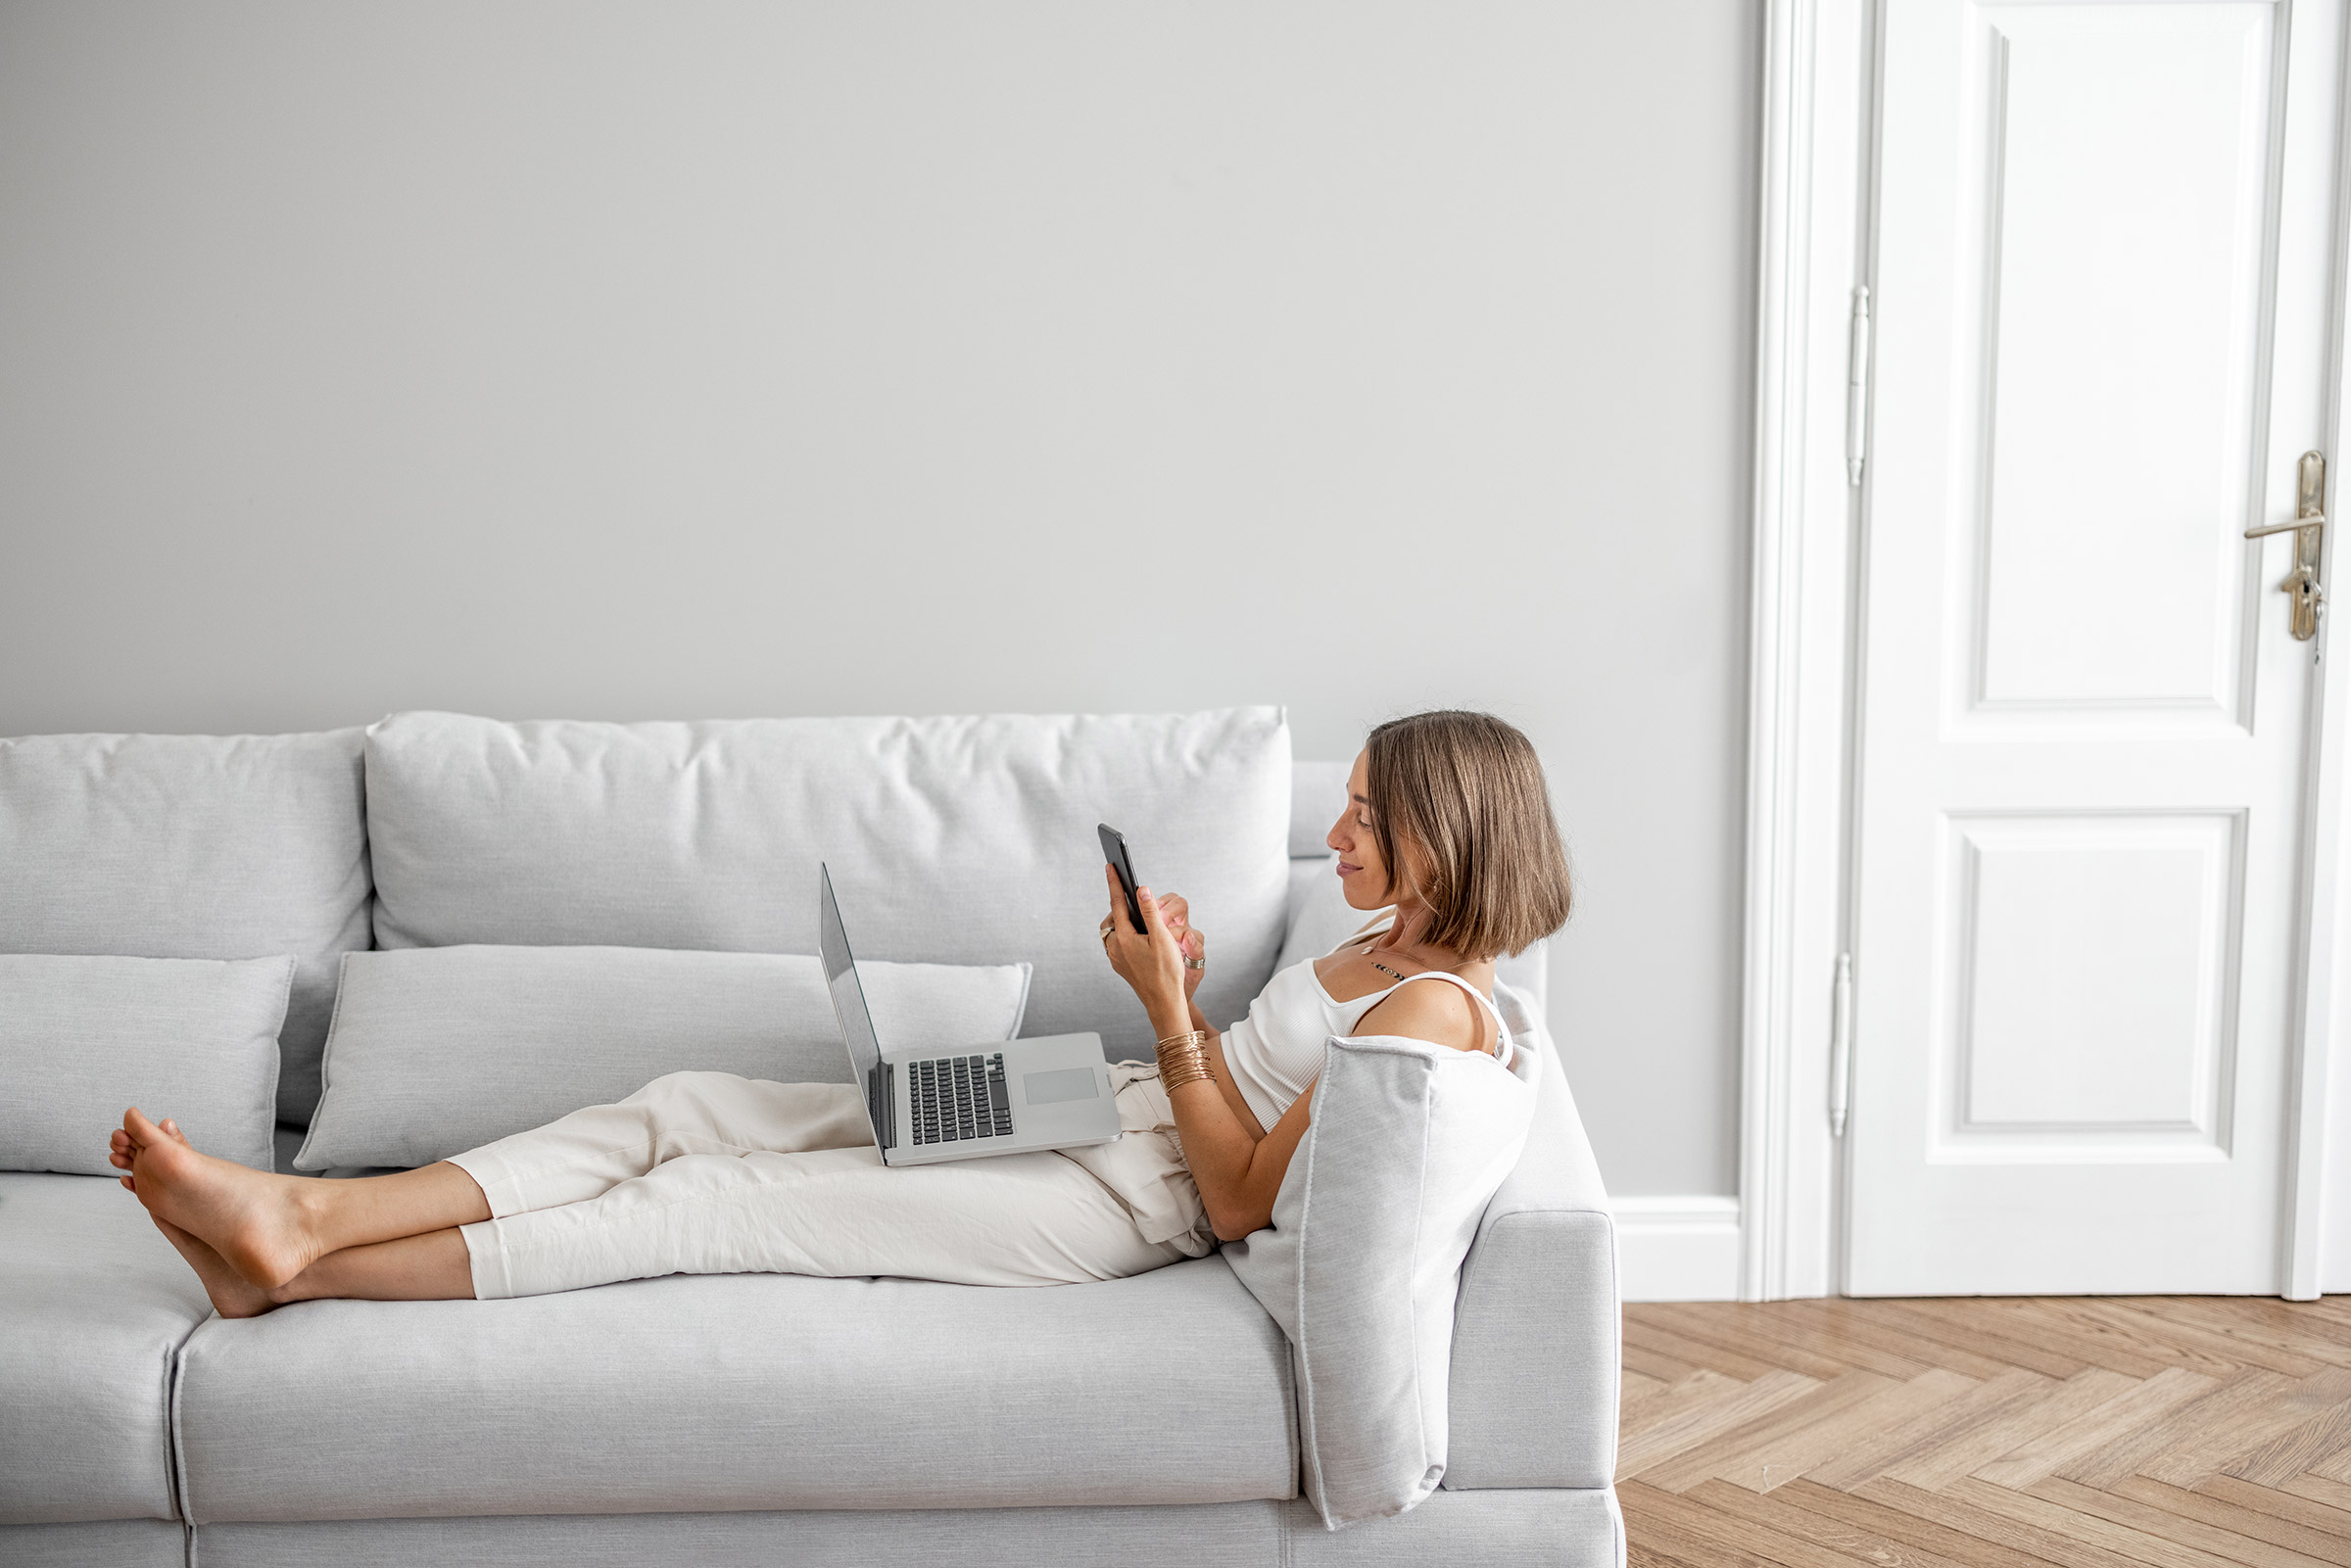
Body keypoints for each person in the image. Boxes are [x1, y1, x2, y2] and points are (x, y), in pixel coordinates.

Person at [113, 710, 1572, 1317]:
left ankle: (291, 1269)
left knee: (712, 1202)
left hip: (1132, 1201)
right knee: (686, 1103)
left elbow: (1247, 1195)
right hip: (1106, 1106)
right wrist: (1168, 993)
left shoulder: (1438, 1021)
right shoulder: (1385, 943)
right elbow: (1236, 1089)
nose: (1343, 825)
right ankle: (304, 1218)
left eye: (1373, 812)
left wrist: (1170, 1013)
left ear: (1449, 835)